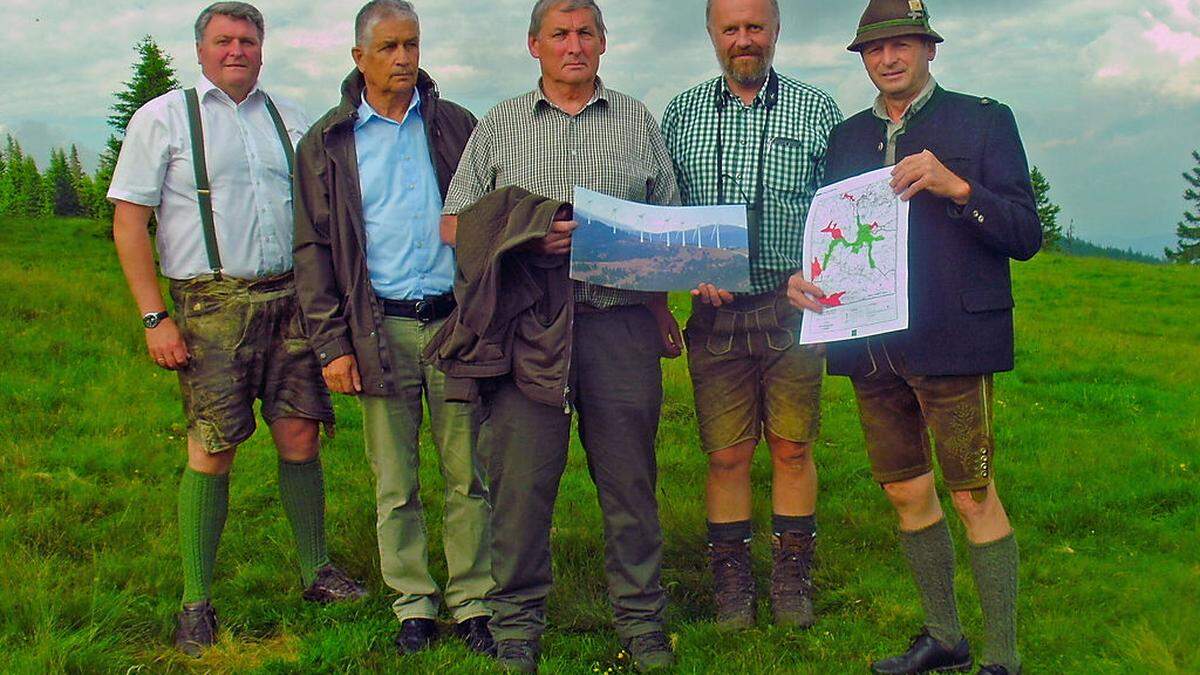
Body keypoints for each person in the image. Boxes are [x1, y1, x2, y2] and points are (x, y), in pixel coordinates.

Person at [787, 1, 1040, 672]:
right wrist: (806, 279)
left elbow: (1024, 233)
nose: (888, 58)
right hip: (870, 346)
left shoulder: (984, 119)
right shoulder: (843, 140)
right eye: (875, 49)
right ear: (864, 59)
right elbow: (835, 237)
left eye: (903, 44)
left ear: (930, 50)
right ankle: (945, 636)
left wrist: (958, 186)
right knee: (904, 487)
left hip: (954, 338)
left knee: (972, 491)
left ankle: (1003, 657)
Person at [108, 1, 366, 658]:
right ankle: (196, 599)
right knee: (212, 445)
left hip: (293, 299)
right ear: (201, 50)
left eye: (248, 40)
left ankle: (315, 572)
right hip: (210, 304)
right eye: (224, 40)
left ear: (262, 48)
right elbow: (128, 223)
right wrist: (153, 316)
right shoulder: (163, 118)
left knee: (301, 431)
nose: (237, 50)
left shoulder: (290, 118)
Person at [438, 0, 682, 670]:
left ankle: (641, 619)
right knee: (521, 483)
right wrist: (527, 232)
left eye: (585, 33)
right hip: (525, 332)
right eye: (559, 34)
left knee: (631, 481)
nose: (573, 45)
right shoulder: (501, 124)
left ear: (603, 43)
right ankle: (516, 621)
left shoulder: (636, 121)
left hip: (617, 323)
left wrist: (659, 293)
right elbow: (455, 224)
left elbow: (669, 223)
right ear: (534, 45)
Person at [291, 0, 493, 657]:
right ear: (359, 58)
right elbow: (314, 250)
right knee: (395, 482)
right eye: (388, 48)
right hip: (378, 329)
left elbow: (489, 223)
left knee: (468, 474)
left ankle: (474, 602)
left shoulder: (457, 126)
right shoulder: (328, 142)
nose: (403, 58)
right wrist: (332, 344)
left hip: (454, 325)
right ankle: (415, 604)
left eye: (411, 44)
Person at [660, 0, 843, 630]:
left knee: (793, 447)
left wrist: (818, 271)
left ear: (775, 32)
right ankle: (730, 579)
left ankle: (793, 573)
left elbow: (837, 213)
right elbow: (669, 212)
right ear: (712, 34)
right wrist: (689, 273)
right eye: (731, 28)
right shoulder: (680, 114)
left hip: (791, 311)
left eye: (755, 28)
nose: (744, 40)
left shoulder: (817, 111)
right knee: (726, 455)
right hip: (715, 316)